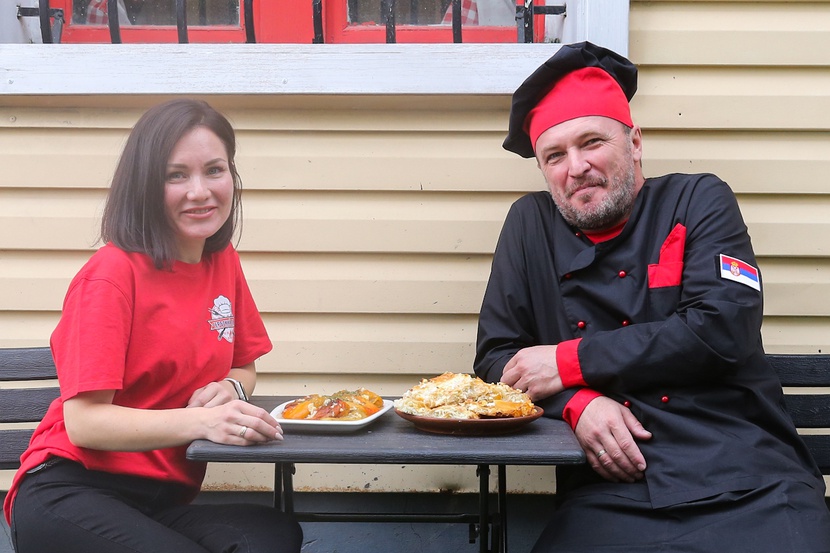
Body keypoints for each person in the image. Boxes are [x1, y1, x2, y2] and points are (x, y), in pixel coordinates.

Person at [475, 41, 830, 552]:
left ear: (635, 142)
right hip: (611, 490)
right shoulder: (529, 225)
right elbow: (496, 359)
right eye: (555, 155)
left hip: (749, 475)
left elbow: (722, 329)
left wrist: (568, 362)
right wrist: (576, 404)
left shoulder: (699, 198)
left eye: (591, 142)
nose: (576, 166)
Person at [4, 99, 303, 553]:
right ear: (144, 185)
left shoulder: (221, 261)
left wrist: (232, 389)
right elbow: (85, 423)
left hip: (158, 500)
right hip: (70, 490)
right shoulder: (111, 275)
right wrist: (203, 420)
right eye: (175, 175)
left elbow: (244, 365)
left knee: (271, 536)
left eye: (214, 170)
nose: (200, 191)